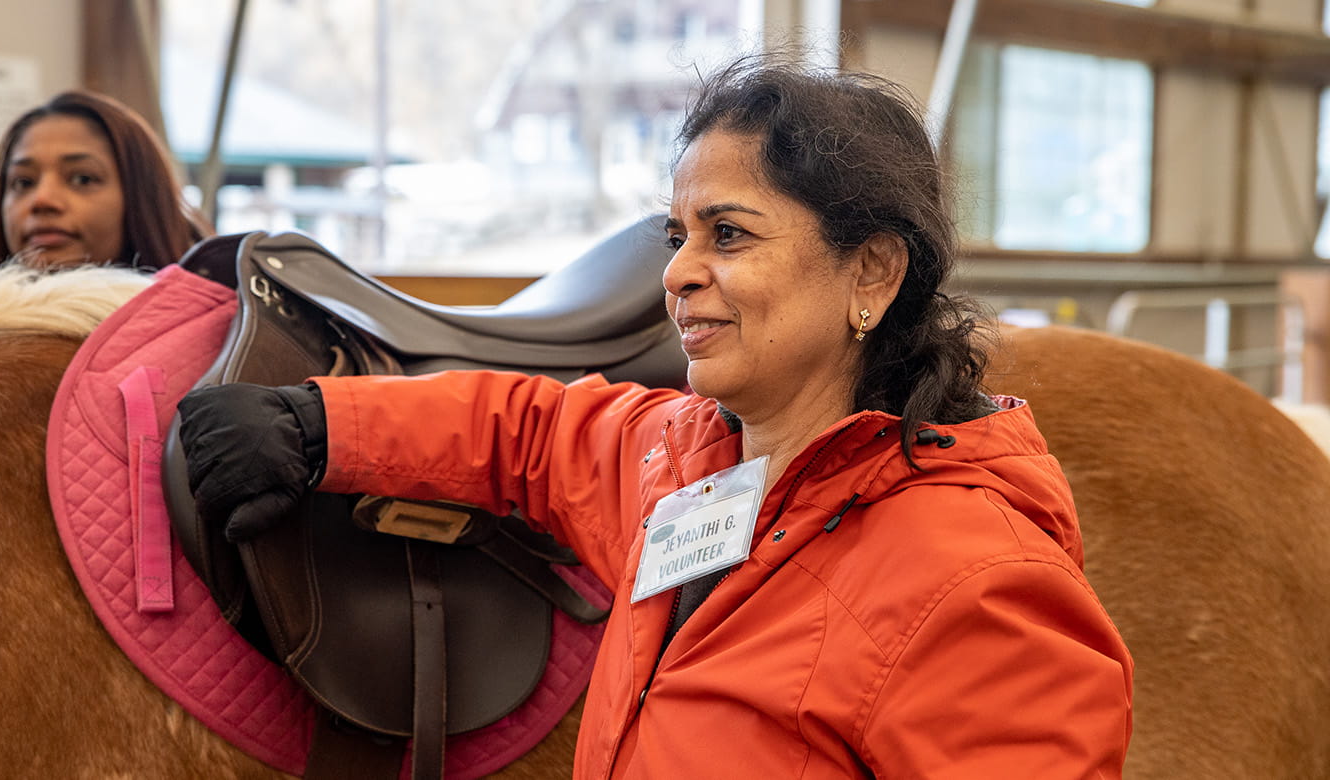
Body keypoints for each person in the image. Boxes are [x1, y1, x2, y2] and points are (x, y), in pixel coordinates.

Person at [175, 53, 1134, 778]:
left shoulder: (980, 586)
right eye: (679, 236)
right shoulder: (685, 460)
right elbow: (528, 433)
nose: (675, 273)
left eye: (730, 234)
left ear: (873, 272)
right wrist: (321, 426)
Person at [0, 89, 210, 271]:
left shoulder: (217, 325)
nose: (42, 200)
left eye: (82, 179)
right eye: (23, 183)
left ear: (141, 198)